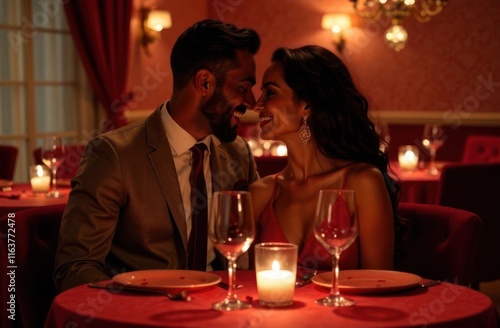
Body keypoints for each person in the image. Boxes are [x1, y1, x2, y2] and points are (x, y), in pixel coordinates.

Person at [54, 20, 261, 292]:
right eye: (243, 87)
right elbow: (74, 268)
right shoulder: (115, 154)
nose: (252, 101)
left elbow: (258, 246)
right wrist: (146, 301)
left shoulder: (238, 153)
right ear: (204, 82)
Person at [249, 45, 399, 273]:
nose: (257, 104)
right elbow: (248, 284)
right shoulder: (261, 193)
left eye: (270, 92)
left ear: (306, 105)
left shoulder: (362, 183)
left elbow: (380, 281)